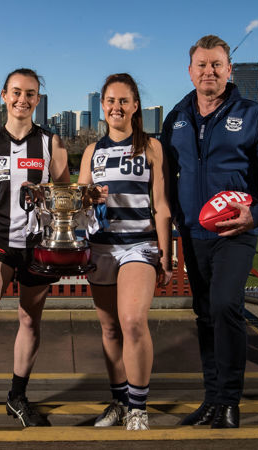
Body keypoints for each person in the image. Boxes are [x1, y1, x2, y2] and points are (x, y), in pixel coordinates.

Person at [160, 35, 258, 428]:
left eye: (217, 64)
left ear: (229, 70)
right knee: (204, 313)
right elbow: (165, 175)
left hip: (236, 230)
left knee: (224, 306)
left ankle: (229, 401)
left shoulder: (255, 115)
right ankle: (211, 399)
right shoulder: (176, 117)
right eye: (202, 65)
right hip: (193, 233)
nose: (209, 71)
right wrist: (173, 222)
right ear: (190, 72)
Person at [0, 68, 70, 431]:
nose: (23, 99)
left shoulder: (52, 144)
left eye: (30, 94)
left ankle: (17, 396)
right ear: (5, 96)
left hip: (37, 246)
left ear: (37, 99)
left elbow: (65, 196)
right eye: (17, 92)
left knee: (29, 319)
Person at [78, 73, 172, 431]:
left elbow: (161, 205)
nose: (116, 107)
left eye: (123, 101)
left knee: (132, 321)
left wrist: (166, 253)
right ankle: (119, 401)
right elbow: (79, 205)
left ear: (135, 106)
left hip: (139, 244)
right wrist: (88, 198)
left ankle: (138, 407)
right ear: (102, 106)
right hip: (101, 247)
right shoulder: (92, 151)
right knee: (110, 329)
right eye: (110, 101)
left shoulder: (151, 147)